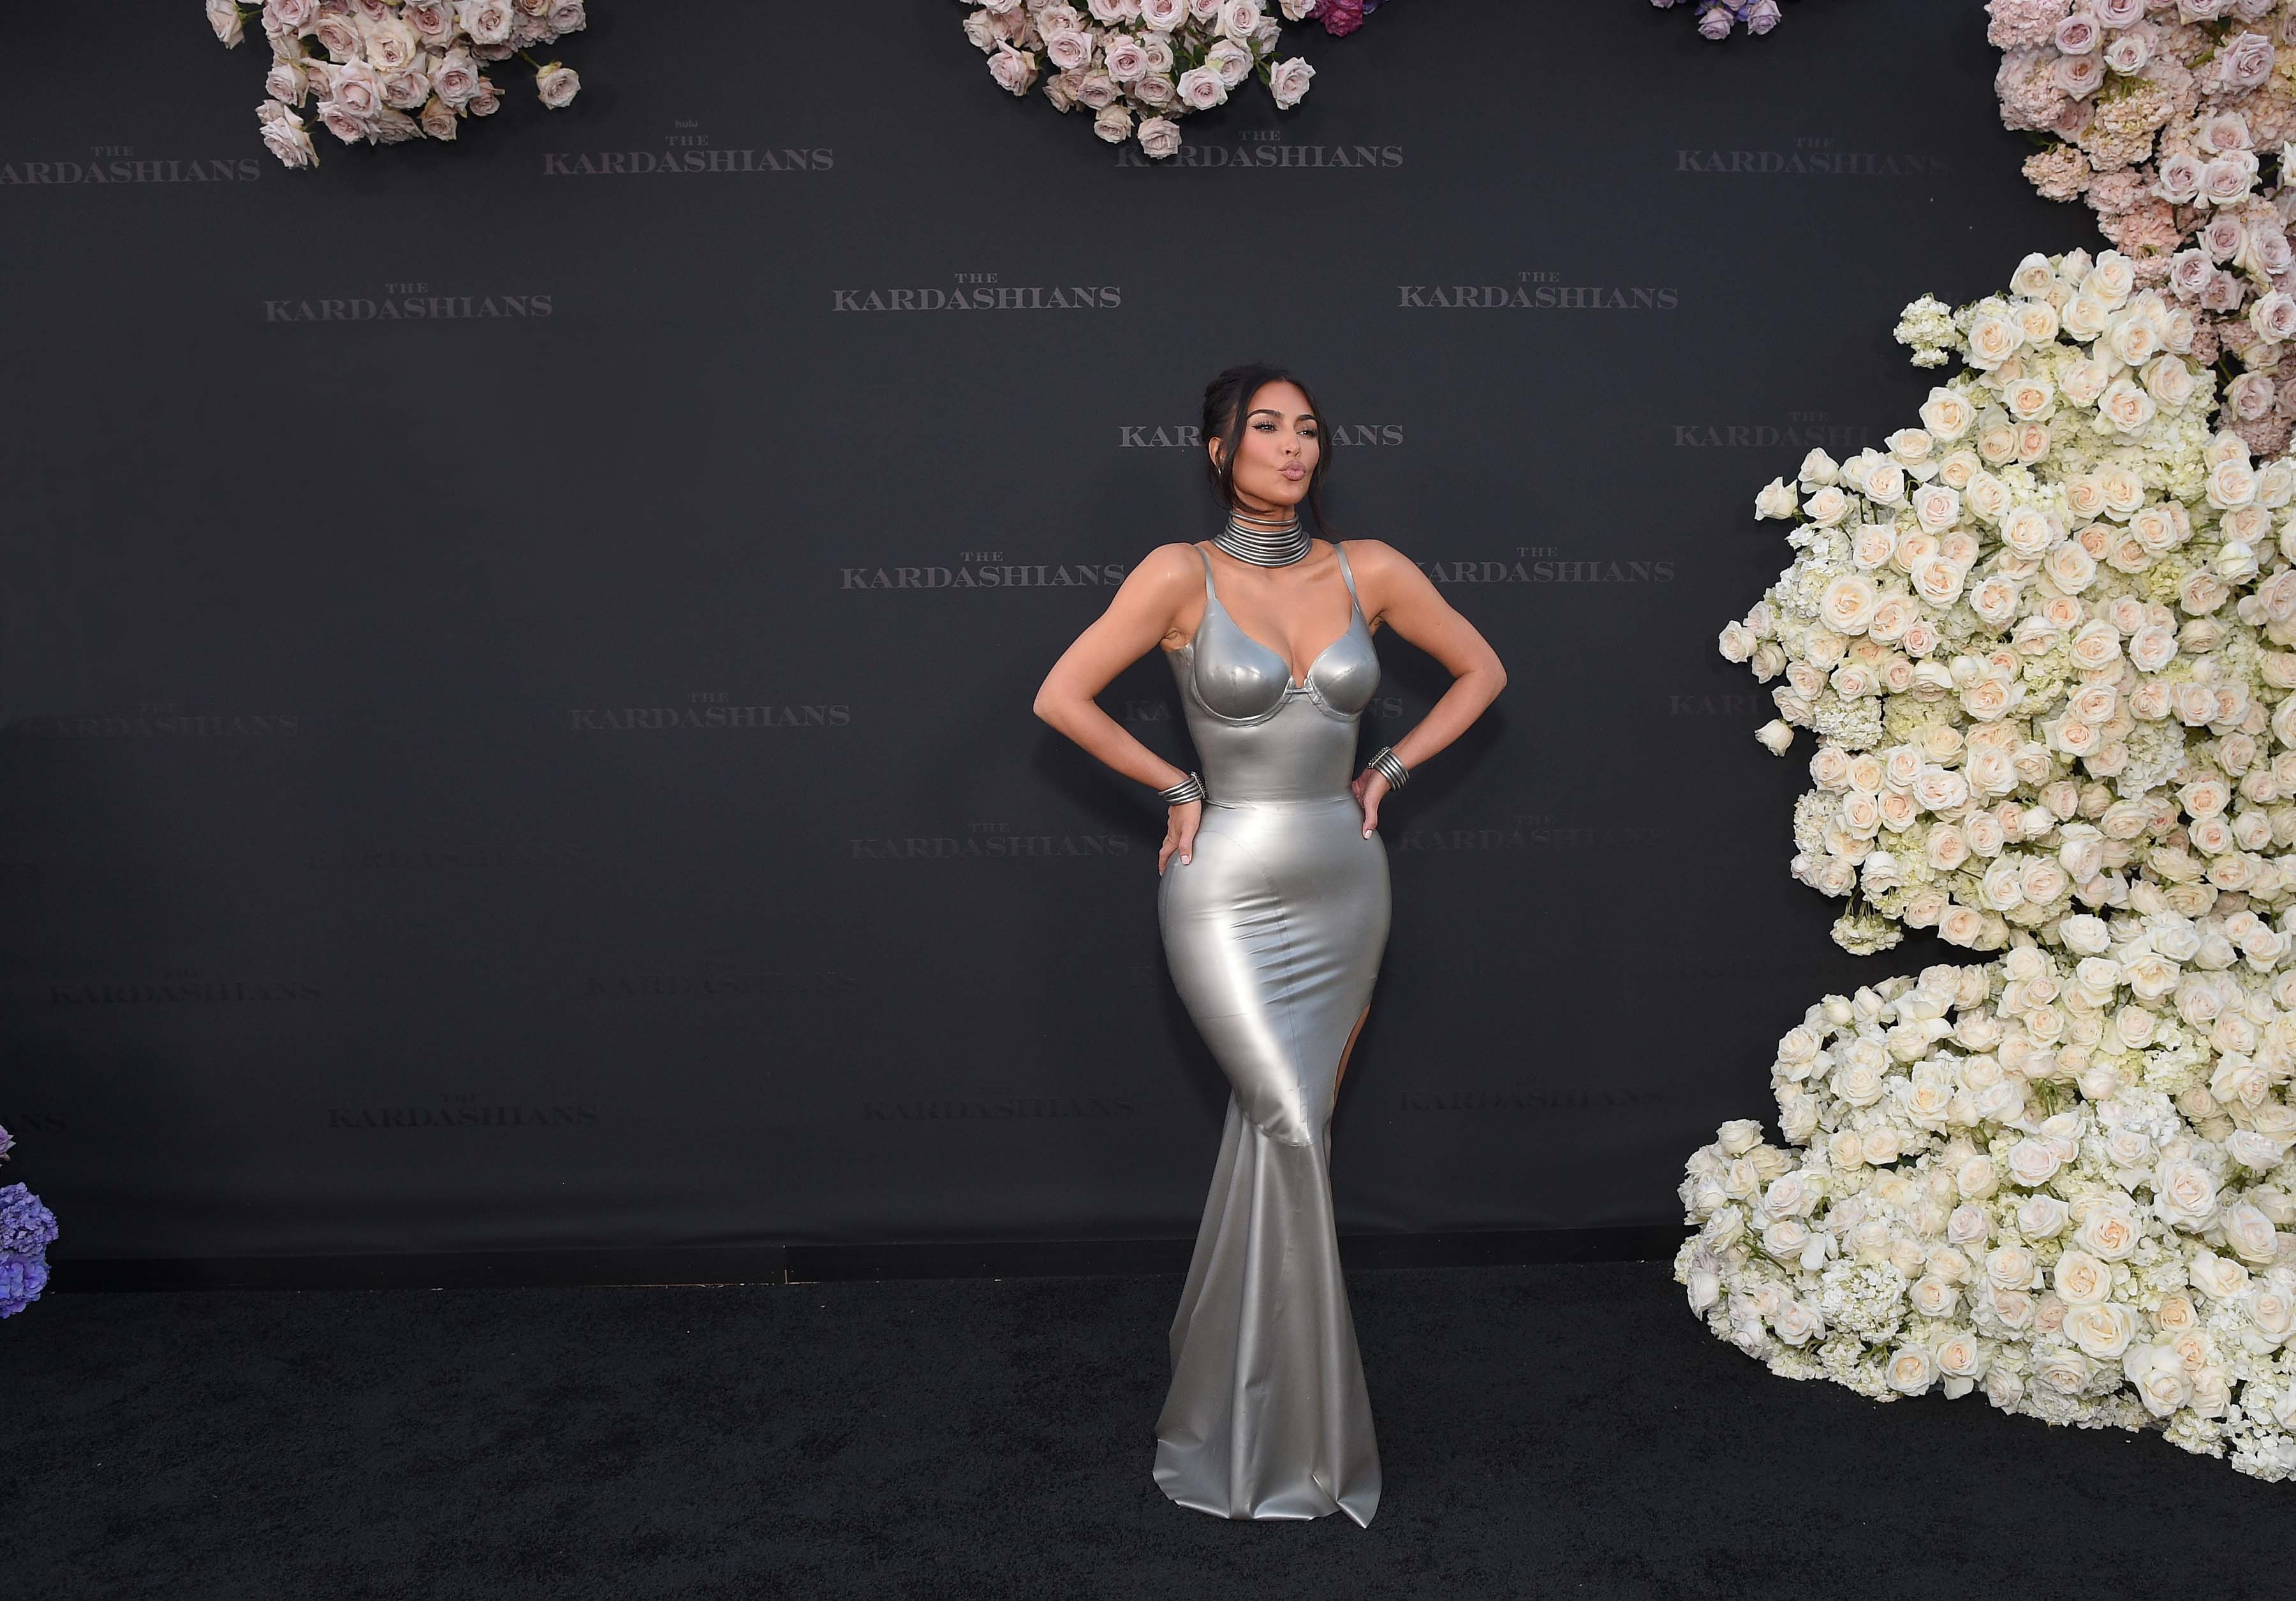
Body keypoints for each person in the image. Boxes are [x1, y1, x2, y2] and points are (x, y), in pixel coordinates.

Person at [1031, 362, 1508, 1526]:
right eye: (1266, 428)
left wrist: (1388, 767)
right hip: (1224, 885)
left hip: (1347, 880)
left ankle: (1257, 1393)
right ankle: (1287, 1429)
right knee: (1287, 1121)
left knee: (1295, 1133)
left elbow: (1483, 671)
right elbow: (1061, 696)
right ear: (1218, 450)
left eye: (1307, 430)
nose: (1293, 447)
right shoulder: (1177, 575)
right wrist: (1177, 784)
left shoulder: (1369, 569)